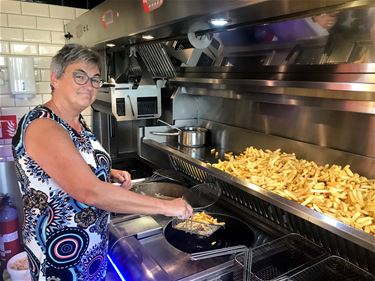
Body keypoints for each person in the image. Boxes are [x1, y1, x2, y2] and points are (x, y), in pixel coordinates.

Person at [12, 44, 193, 281]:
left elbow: (73, 166)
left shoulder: (75, 122)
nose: (89, 85)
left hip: (90, 246)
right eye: (80, 76)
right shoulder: (43, 125)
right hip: (61, 254)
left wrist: (106, 171)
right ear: (55, 78)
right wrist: (167, 206)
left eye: (95, 79)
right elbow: (90, 192)